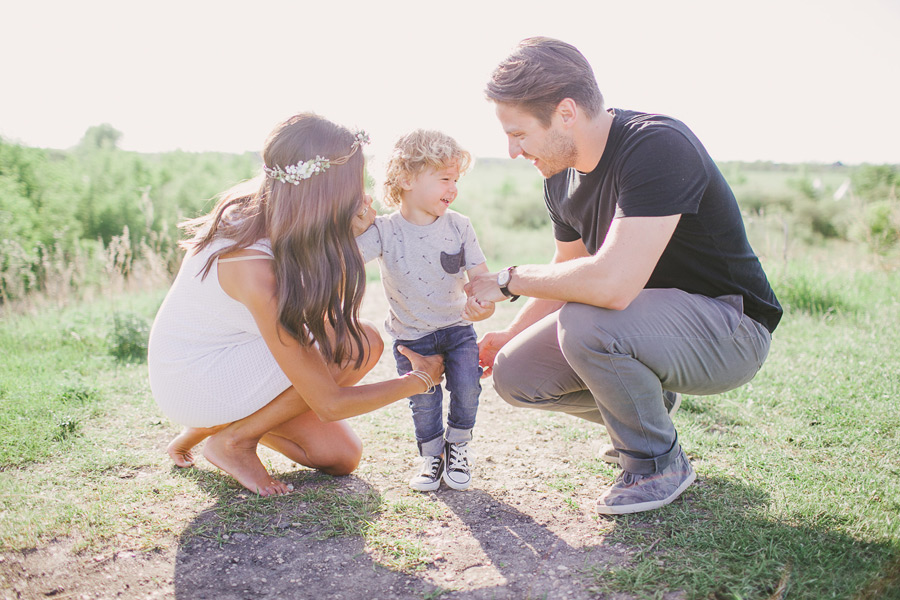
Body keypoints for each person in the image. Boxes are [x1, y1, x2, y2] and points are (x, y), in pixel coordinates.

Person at [466, 37, 782, 515]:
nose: (512, 151)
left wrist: (508, 279)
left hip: (731, 330)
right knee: (516, 372)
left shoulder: (657, 145)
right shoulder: (559, 175)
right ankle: (649, 411)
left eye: (519, 133)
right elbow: (566, 272)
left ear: (566, 112)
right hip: (644, 329)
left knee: (588, 323)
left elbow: (610, 286)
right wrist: (511, 333)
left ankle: (657, 464)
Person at [148, 113, 444, 497]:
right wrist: (419, 381)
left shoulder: (275, 211)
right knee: (357, 345)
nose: (362, 194)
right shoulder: (252, 269)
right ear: (327, 191)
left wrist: (342, 241)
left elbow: (319, 316)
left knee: (341, 455)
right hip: (195, 376)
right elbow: (331, 402)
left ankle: (218, 428)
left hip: (226, 359)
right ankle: (233, 441)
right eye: (354, 182)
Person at [357, 129, 494, 492]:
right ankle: (431, 456)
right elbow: (346, 259)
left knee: (467, 389)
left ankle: (458, 446)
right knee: (423, 400)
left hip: (457, 327)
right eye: (444, 178)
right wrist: (351, 223)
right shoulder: (384, 231)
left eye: (456, 180)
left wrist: (483, 304)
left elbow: (480, 278)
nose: (453, 188)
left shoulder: (460, 226)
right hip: (412, 336)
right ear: (406, 179)